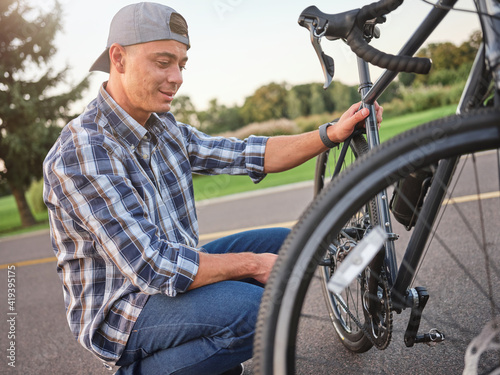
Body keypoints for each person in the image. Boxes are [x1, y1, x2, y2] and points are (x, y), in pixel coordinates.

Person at [43, 3, 383, 375]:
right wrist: (253, 265)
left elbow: (244, 154)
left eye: (181, 64)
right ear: (119, 59)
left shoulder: (162, 126)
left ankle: (202, 356)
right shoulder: (84, 151)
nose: (177, 77)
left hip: (167, 277)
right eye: (163, 62)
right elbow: (153, 265)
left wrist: (331, 132)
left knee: (288, 243)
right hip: (125, 310)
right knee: (257, 309)